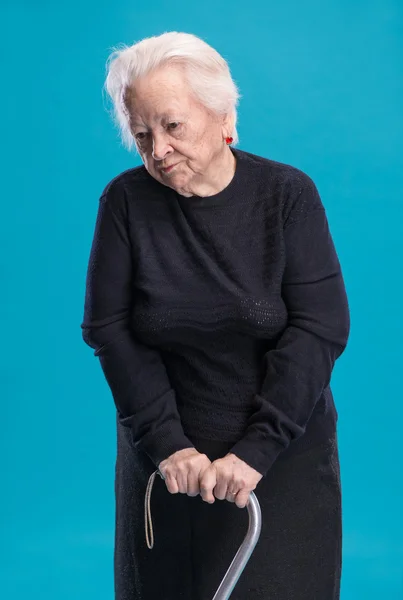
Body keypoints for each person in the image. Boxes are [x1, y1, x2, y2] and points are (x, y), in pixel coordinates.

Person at [81, 31, 350, 600]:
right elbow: (109, 329)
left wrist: (256, 450)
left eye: (172, 126)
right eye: (141, 132)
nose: (157, 150)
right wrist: (166, 443)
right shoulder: (125, 203)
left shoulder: (287, 195)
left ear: (222, 112)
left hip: (277, 467)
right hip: (166, 467)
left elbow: (320, 327)